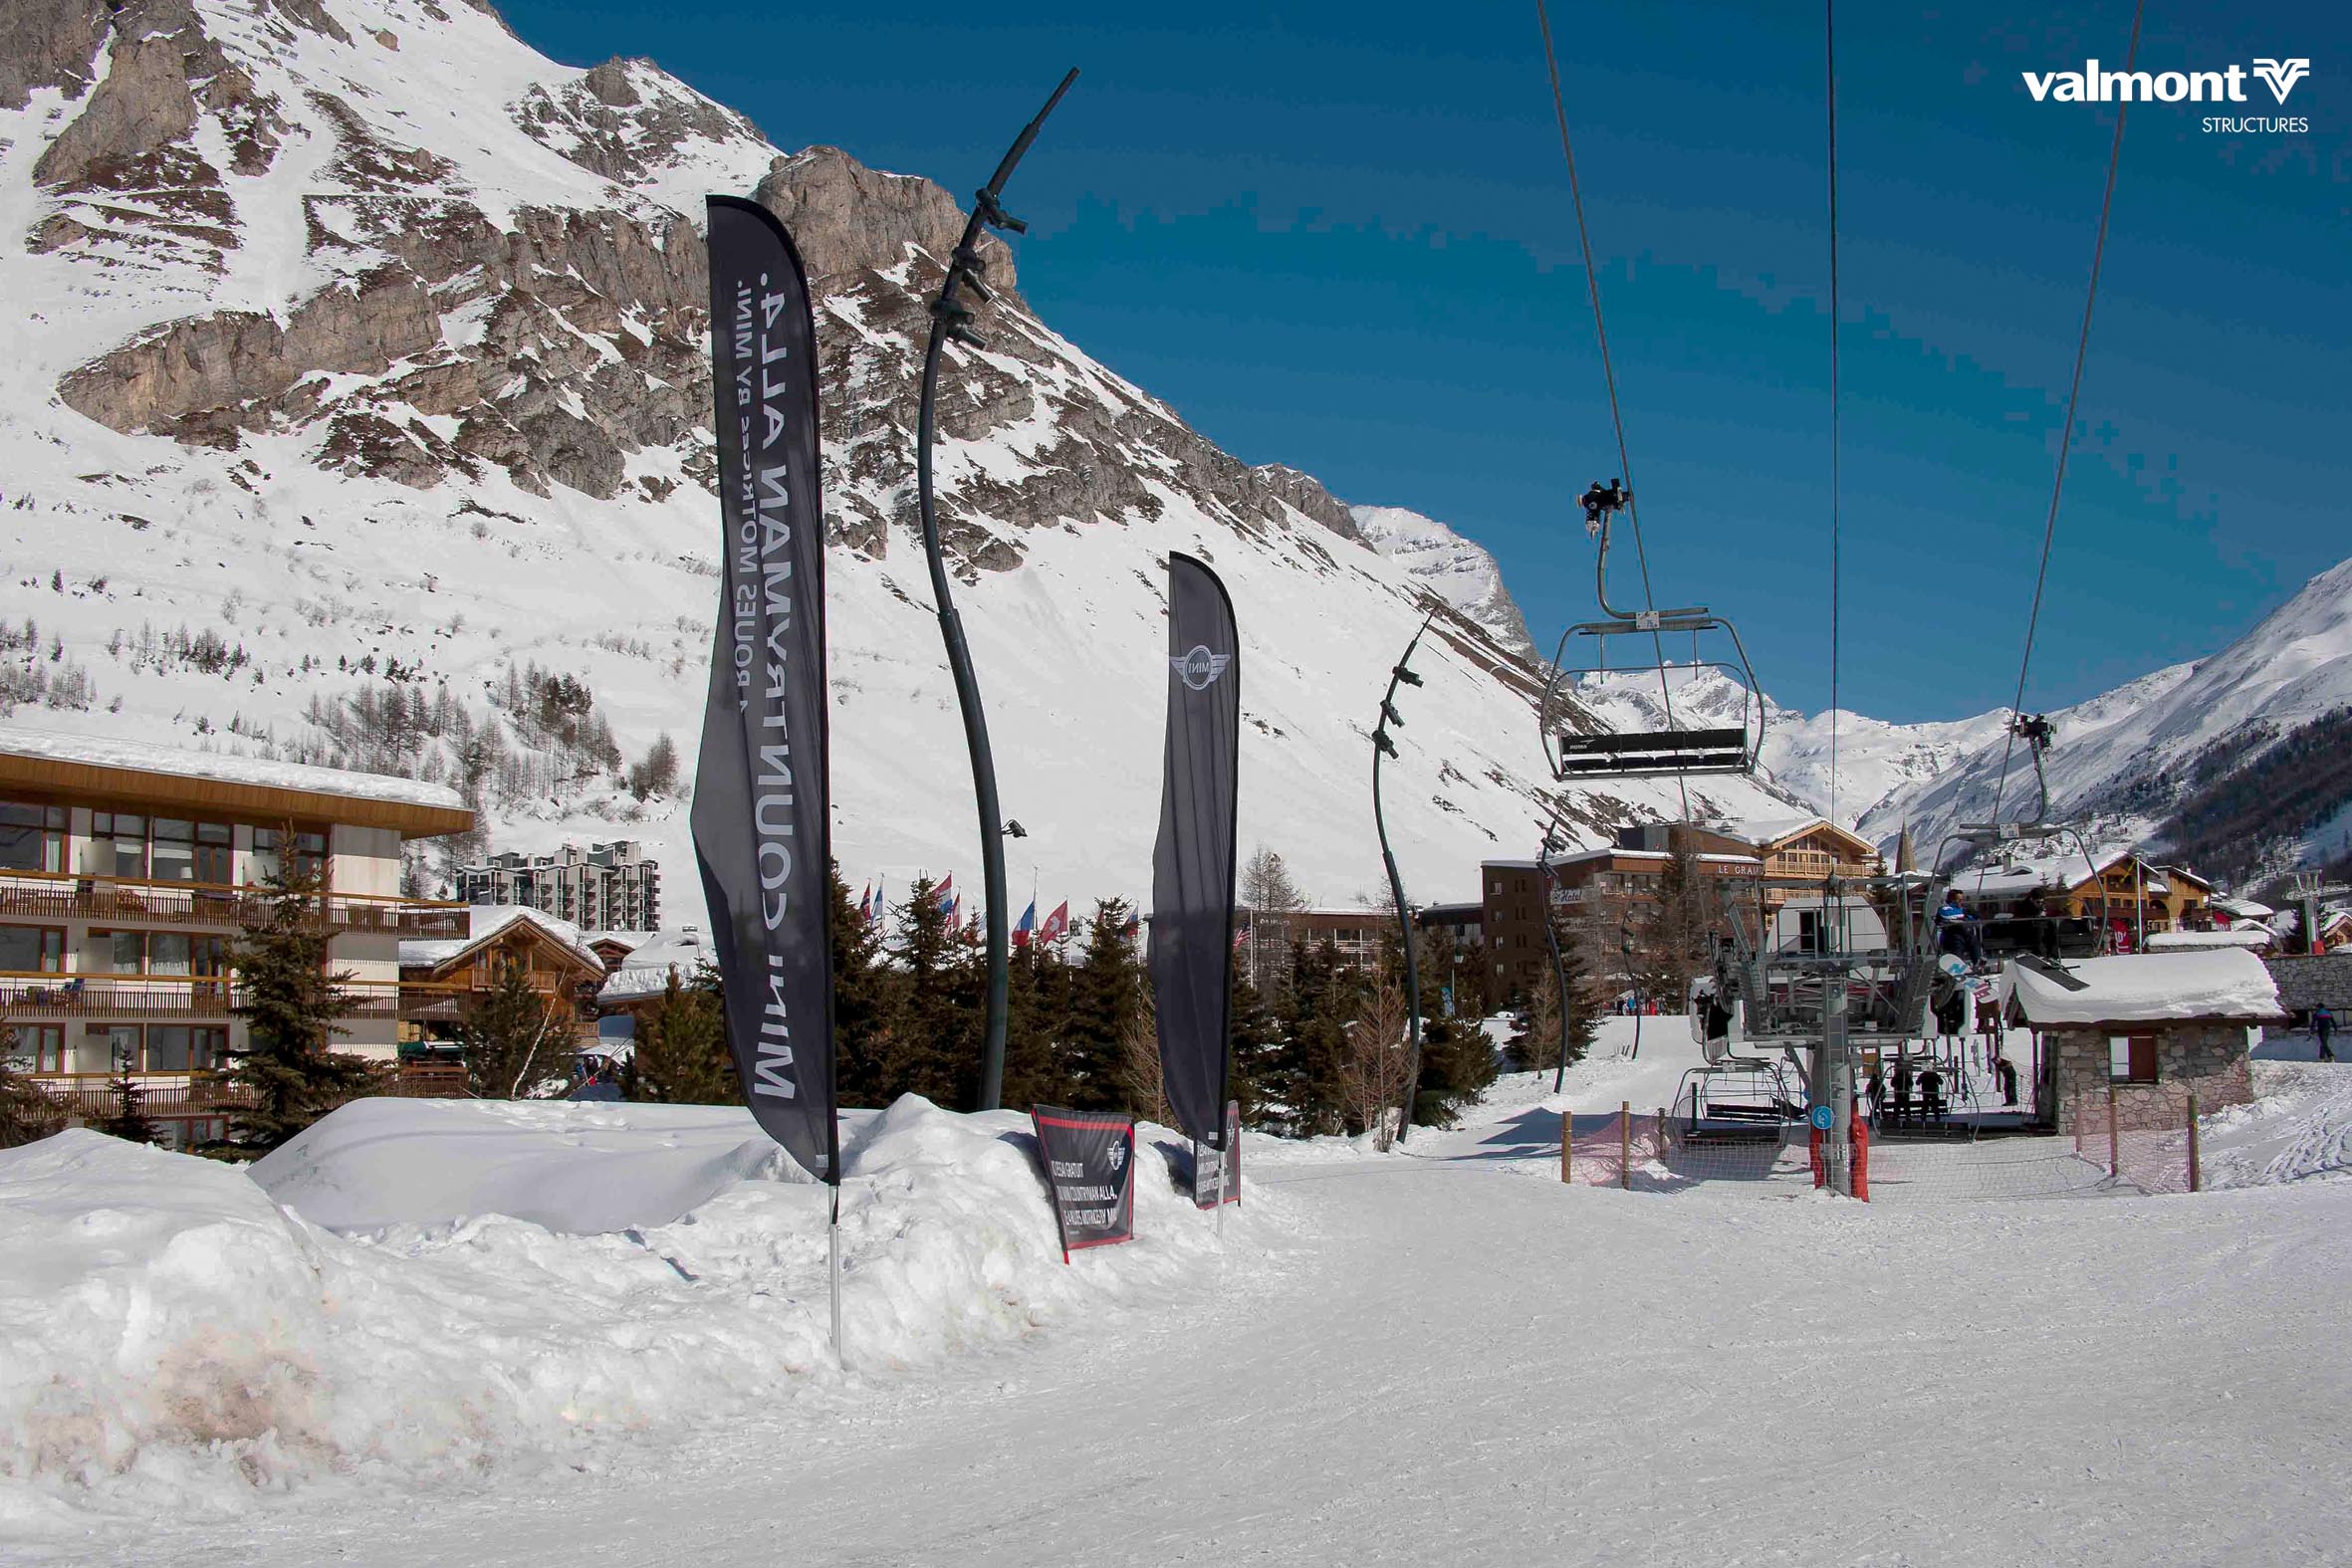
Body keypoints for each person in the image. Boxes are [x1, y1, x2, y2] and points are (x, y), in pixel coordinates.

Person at [1938, 888, 1986, 966]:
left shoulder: (1964, 909)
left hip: (1966, 934)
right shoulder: (1945, 908)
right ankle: (1957, 963)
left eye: (1962, 899)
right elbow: (1947, 915)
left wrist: (1967, 916)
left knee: (1973, 939)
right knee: (1958, 941)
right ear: (1952, 900)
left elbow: (1974, 918)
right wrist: (1964, 915)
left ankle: (1977, 961)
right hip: (1952, 935)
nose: (1961, 902)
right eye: (1959, 900)